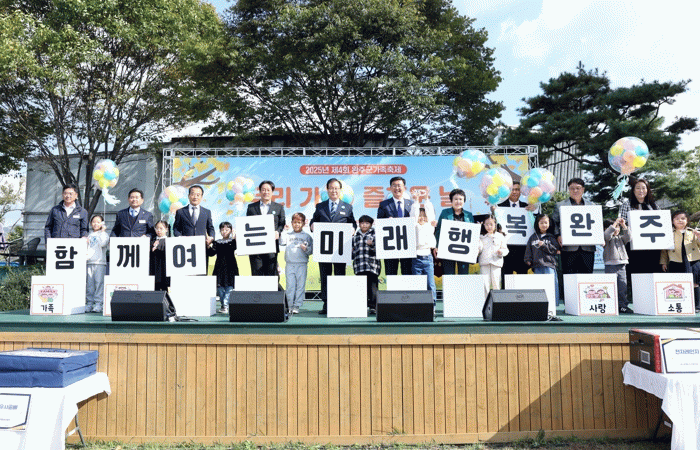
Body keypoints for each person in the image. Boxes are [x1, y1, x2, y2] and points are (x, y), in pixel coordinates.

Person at [310, 178, 357, 315]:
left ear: (340, 190)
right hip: (324, 248)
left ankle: (339, 303)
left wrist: (353, 229)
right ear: (327, 190)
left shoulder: (347, 207)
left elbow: (353, 223)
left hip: (340, 249)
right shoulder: (320, 206)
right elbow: (313, 221)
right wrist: (312, 225)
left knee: (339, 274)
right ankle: (326, 303)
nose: (334, 191)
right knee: (325, 275)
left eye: (336, 188)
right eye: (331, 188)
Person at [618, 178, 660, 300]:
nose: (641, 190)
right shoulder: (627, 204)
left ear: (647, 190)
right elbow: (622, 223)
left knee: (652, 272)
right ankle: (638, 300)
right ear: (633, 190)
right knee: (636, 272)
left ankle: (652, 300)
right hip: (634, 246)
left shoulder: (654, 205)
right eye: (638, 188)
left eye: (643, 188)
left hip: (652, 246)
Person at [551, 178, 597, 274]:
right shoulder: (560, 205)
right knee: (568, 275)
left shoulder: (592, 206)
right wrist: (558, 235)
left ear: (583, 189)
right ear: (568, 189)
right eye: (572, 188)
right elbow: (554, 223)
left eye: (578, 188)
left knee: (586, 276)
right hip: (568, 247)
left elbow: (596, 224)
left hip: (587, 247)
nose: (575, 190)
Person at [660, 211, 700, 311]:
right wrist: (663, 262)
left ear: (687, 220)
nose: (680, 221)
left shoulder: (693, 232)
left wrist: (699, 237)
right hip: (675, 260)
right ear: (672, 221)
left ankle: (697, 306)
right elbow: (664, 250)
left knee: (695, 283)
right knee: (677, 284)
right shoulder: (669, 233)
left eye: (683, 218)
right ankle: (680, 305)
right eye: (677, 219)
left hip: (692, 260)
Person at [246, 180, 286, 276]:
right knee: (257, 274)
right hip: (255, 247)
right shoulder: (251, 207)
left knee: (271, 274)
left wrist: (278, 232)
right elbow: (247, 224)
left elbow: (282, 223)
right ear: (260, 191)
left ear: (272, 192)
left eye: (268, 190)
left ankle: (273, 287)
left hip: (271, 246)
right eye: (263, 190)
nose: (266, 192)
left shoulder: (279, 207)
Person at [376, 176, 413, 275]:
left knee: (408, 273)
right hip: (391, 246)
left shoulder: (412, 204)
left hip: (407, 245)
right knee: (391, 274)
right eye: (394, 186)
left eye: (399, 185)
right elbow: (379, 223)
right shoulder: (384, 205)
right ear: (390, 188)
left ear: (404, 187)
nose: (397, 188)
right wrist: (387, 222)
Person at [497, 182, 533, 282]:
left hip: (522, 250)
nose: (514, 192)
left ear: (520, 192)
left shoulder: (527, 207)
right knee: (506, 279)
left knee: (522, 280)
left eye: (517, 189)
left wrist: (534, 210)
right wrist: (493, 211)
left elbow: (534, 223)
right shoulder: (499, 207)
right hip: (506, 249)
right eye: (512, 189)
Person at [434, 188, 474, 275]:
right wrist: (437, 246)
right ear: (451, 201)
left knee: (463, 275)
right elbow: (438, 230)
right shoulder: (445, 213)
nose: (458, 201)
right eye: (455, 199)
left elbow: (472, 234)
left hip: (464, 250)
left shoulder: (469, 215)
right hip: (447, 249)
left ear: (464, 201)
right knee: (449, 275)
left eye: (460, 199)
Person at [524, 214, 561, 305]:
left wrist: (544, 245)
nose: (544, 225)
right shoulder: (533, 237)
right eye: (541, 223)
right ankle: (540, 305)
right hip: (537, 266)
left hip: (549, 265)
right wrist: (528, 259)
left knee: (551, 285)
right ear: (537, 224)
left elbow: (555, 250)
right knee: (539, 286)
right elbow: (528, 249)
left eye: (546, 222)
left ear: (549, 223)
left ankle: (554, 304)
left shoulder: (551, 237)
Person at [281, 213, 313, 314]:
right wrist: (284, 230)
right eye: (295, 222)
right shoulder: (288, 235)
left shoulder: (307, 236)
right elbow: (281, 242)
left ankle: (296, 306)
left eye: (299, 222)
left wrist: (306, 249)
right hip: (290, 264)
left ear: (303, 223)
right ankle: (290, 305)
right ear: (291, 223)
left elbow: (311, 251)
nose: (297, 225)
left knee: (300, 286)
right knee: (290, 286)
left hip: (302, 264)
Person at [410, 190, 437, 305]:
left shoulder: (430, 226)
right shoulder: (414, 225)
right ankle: (418, 304)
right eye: (420, 216)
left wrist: (426, 199)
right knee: (417, 283)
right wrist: (416, 201)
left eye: (424, 216)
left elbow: (430, 213)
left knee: (430, 283)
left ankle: (433, 304)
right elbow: (413, 214)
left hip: (428, 257)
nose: (422, 218)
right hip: (416, 257)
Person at [207, 222, 238, 314]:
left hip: (230, 266)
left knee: (230, 286)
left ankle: (225, 305)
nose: (224, 231)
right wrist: (208, 245)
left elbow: (235, 247)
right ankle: (223, 304)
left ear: (231, 231)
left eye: (227, 230)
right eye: (222, 230)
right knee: (219, 287)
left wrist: (235, 237)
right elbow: (212, 253)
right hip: (219, 267)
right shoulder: (217, 242)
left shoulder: (233, 241)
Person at [352, 215, 380, 315]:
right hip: (359, 265)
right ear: (359, 224)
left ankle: (373, 307)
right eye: (362, 223)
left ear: (371, 224)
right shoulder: (355, 237)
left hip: (372, 266)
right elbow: (353, 252)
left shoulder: (376, 235)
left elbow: (380, 251)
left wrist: (372, 245)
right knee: (361, 287)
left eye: (367, 223)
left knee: (373, 287)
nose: (364, 225)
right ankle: (361, 306)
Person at [603, 218, 632, 313]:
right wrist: (615, 223)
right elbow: (607, 235)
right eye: (615, 227)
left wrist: (623, 225)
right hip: (610, 265)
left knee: (622, 286)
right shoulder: (606, 239)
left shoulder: (621, 238)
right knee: (610, 286)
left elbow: (629, 237)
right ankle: (611, 305)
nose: (616, 229)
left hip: (622, 265)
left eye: (618, 227)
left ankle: (623, 305)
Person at [478, 216, 509, 291]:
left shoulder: (500, 236)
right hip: (484, 263)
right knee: (485, 285)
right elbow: (479, 250)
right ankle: (485, 298)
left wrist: (501, 252)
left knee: (496, 284)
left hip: (496, 263)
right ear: (483, 225)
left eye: (491, 224)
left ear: (495, 224)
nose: (489, 227)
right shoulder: (481, 237)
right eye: (487, 224)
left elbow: (506, 250)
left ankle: (497, 299)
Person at [86, 215, 109, 313]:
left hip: (100, 262)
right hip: (89, 262)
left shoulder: (104, 234)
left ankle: (99, 303)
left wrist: (102, 231)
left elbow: (103, 243)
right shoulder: (89, 235)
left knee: (99, 283)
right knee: (89, 284)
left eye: (98, 222)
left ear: (102, 223)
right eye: (94, 222)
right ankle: (89, 303)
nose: (96, 224)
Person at [150, 220, 170, 292]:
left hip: (163, 269)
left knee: (164, 289)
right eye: (157, 228)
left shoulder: (168, 241)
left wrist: (156, 250)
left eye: (161, 228)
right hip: (154, 269)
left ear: (166, 229)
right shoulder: (152, 241)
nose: (159, 230)